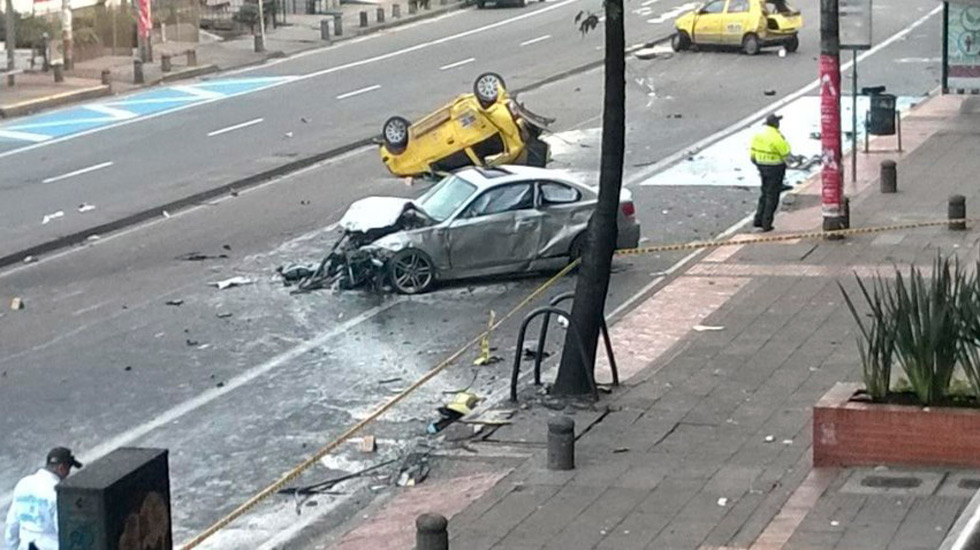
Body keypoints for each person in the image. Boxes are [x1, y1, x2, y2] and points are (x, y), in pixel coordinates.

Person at [4, 447, 82, 550]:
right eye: (68, 469)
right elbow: (63, 530)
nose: (68, 473)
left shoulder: (23, 484)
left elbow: (12, 524)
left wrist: (11, 547)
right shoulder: (57, 492)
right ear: (61, 468)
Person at [750, 113, 794, 232]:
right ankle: (767, 223)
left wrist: (758, 163)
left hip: (761, 166)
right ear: (775, 124)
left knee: (764, 192)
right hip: (775, 167)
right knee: (772, 195)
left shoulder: (759, 134)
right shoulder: (776, 136)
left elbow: (752, 153)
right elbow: (786, 153)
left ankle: (758, 219)